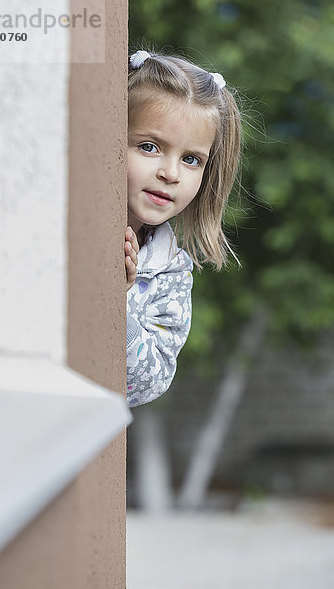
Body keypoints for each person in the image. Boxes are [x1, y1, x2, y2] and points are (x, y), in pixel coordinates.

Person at [124, 49, 241, 407]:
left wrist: (119, 300)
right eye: (149, 147)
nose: (171, 173)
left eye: (191, 159)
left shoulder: (171, 271)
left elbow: (146, 385)